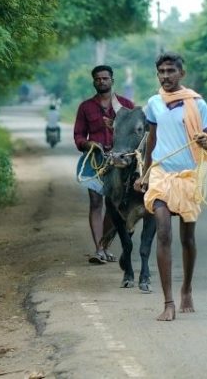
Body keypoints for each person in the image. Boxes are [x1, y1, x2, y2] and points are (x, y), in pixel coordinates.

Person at [134, 52, 207, 321]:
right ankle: (168, 302)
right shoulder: (154, 103)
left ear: (181, 73)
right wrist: (145, 174)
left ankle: (187, 289)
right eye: (161, 72)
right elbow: (152, 140)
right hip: (161, 174)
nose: (165, 76)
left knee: (187, 239)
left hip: (187, 176)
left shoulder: (198, 104)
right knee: (163, 232)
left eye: (170, 71)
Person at [74, 65, 136, 265]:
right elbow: (78, 136)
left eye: (105, 78)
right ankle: (99, 249)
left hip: (120, 161)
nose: (101, 81)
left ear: (112, 80)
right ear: (94, 81)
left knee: (114, 206)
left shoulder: (126, 105)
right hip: (95, 160)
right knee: (95, 202)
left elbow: (137, 133)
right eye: (98, 79)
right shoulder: (85, 107)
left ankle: (105, 246)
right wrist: (88, 143)